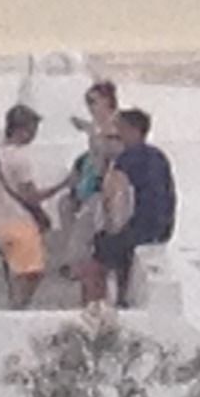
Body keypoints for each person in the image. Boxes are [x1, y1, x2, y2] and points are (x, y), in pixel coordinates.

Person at [88, 108, 177, 310]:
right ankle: (121, 298)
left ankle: (96, 308)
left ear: (133, 130)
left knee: (94, 264)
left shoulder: (127, 159)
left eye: (120, 129)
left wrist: (109, 230)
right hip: (160, 229)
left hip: (136, 228)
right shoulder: (158, 157)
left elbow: (116, 200)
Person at [49, 81, 122, 303]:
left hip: (103, 194)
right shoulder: (98, 130)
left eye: (93, 102)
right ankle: (76, 265)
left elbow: (104, 162)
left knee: (86, 227)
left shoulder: (113, 130)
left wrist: (93, 135)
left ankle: (74, 264)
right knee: (67, 209)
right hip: (87, 191)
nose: (90, 107)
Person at [0, 104, 51, 310]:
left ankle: (15, 307)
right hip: (20, 223)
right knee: (32, 273)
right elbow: (30, 196)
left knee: (14, 274)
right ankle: (17, 312)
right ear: (24, 129)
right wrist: (62, 186)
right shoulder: (20, 158)